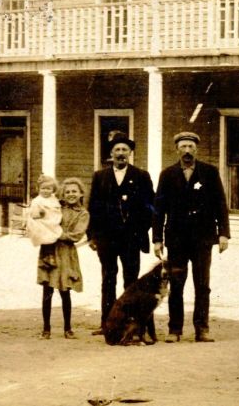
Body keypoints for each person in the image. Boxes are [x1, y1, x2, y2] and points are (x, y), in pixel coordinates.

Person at [152, 130, 230, 343]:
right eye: (183, 147)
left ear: (196, 150)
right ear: (177, 150)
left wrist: (223, 234)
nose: (187, 151)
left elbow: (220, 204)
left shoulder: (209, 173)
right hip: (176, 239)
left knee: (202, 285)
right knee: (176, 284)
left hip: (202, 238)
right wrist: (157, 239)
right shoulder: (167, 174)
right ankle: (175, 329)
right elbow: (159, 209)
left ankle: (202, 329)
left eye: (191, 147)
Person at [87, 131, 155, 338]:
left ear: (130, 153)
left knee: (131, 281)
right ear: (111, 153)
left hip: (131, 239)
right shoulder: (100, 176)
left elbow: (150, 207)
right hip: (106, 238)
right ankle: (107, 324)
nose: (121, 153)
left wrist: (140, 230)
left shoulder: (141, 176)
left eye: (125, 149)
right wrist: (92, 235)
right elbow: (93, 207)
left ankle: (131, 324)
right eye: (117, 149)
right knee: (108, 280)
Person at [36, 177, 90, 339]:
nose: (71, 194)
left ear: (81, 194)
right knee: (47, 291)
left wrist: (54, 232)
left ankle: (68, 328)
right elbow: (41, 218)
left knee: (65, 291)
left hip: (66, 254)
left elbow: (76, 235)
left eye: (74, 191)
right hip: (49, 251)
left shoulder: (83, 214)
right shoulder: (55, 206)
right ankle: (46, 329)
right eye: (67, 192)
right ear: (62, 194)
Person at [25, 174, 63, 246]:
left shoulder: (54, 199)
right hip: (42, 223)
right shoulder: (37, 200)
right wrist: (40, 213)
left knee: (54, 234)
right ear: (39, 189)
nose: (45, 191)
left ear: (53, 190)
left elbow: (57, 210)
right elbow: (32, 215)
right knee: (44, 235)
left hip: (52, 222)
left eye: (48, 189)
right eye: (43, 188)